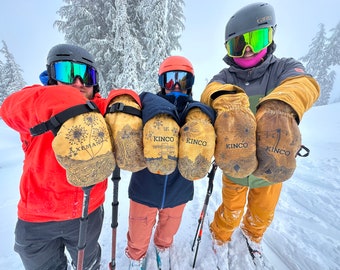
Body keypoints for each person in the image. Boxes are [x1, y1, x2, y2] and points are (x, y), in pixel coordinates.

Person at [200, 2, 320, 269]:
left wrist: (282, 105)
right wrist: (226, 101)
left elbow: (304, 83)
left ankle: (253, 235)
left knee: (262, 212)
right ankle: (220, 236)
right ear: (229, 50)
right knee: (230, 210)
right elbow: (210, 92)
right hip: (234, 166)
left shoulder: (283, 69)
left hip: (269, 167)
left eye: (256, 39)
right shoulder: (224, 76)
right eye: (239, 44)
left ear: (271, 36)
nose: (248, 50)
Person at [1, 44, 110, 270]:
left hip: (87, 211)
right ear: (51, 76)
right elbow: (9, 108)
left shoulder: (98, 108)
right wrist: (61, 100)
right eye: (67, 73)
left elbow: (122, 104)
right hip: (37, 219)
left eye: (86, 76)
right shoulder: (37, 104)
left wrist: (126, 101)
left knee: (89, 264)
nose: (78, 83)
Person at [125, 56, 216, 270]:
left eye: (183, 80)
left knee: (168, 230)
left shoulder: (196, 113)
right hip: (144, 188)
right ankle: (136, 256)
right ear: (161, 82)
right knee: (138, 234)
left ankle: (162, 248)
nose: (176, 86)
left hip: (178, 189)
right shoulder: (146, 106)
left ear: (191, 84)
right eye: (169, 80)